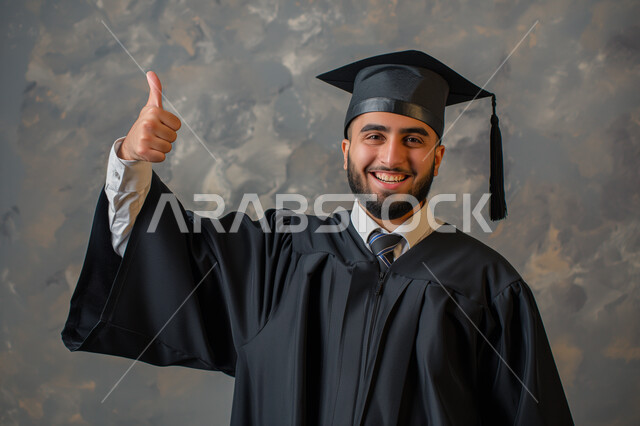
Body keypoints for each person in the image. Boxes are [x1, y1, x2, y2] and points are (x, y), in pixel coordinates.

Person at [62, 50, 574, 425]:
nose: (391, 158)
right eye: (374, 136)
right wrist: (130, 161)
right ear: (346, 150)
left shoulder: (489, 288)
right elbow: (149, 249)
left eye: (413, 139)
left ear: (437, 157)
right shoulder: (275, 253)